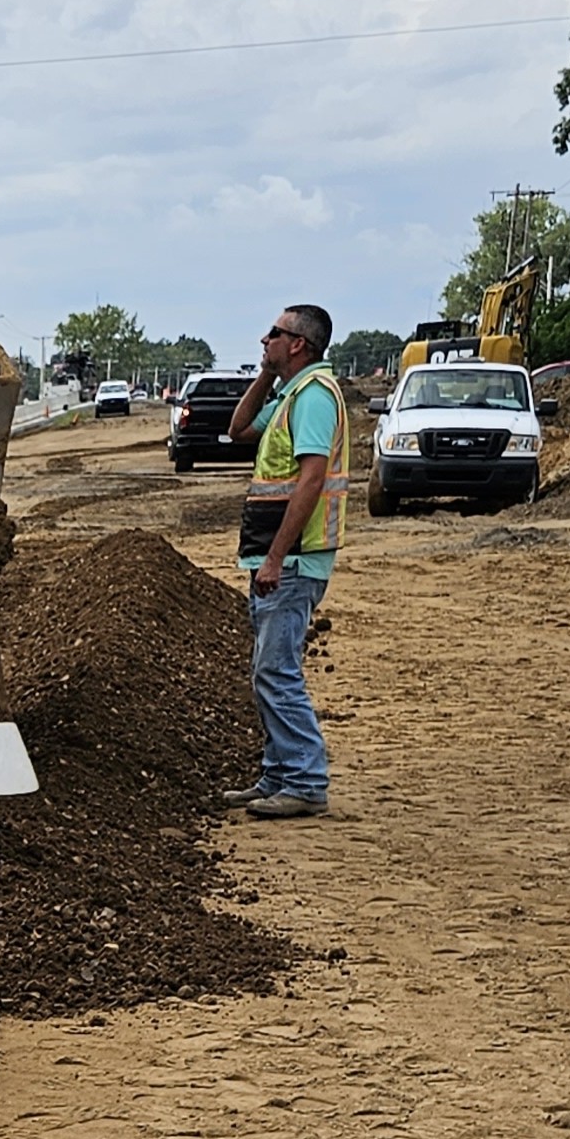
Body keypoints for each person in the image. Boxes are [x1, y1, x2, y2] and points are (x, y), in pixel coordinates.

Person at [221, 304, 346, 819]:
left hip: (293, 560)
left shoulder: (314, 397)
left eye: (274, 334)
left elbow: (311, 480)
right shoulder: (291, 394)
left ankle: (305, 780)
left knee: (277, 671)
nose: (264, 339)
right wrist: (265, 375)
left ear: (299, 343)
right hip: (278, 559)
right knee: (265, 672)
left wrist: (275, 558)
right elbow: (239, 429)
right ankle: (278, 775)